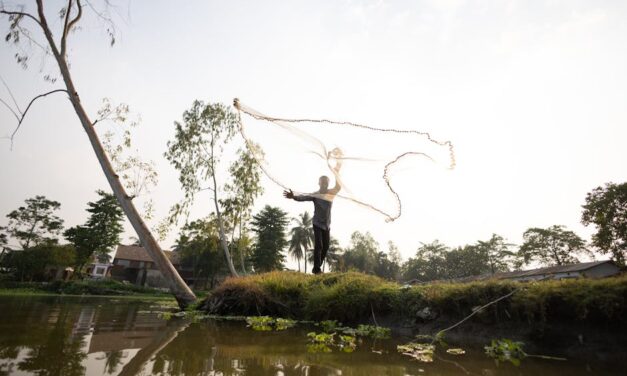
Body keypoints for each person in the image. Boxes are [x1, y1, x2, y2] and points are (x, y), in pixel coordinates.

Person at [283, 148, 343, 274]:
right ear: (319, 184)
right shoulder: (315, 195)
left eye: (326, 183)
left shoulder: (331, 193)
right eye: (322, 183)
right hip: (317, 223)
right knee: (319, 246)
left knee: (326, 247)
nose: (324, 185)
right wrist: (293, 197)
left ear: (328, 184)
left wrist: (337, 168)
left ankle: (317, 267)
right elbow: (303, 197)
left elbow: (338, 186)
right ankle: (317, 270)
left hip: (326, 224)